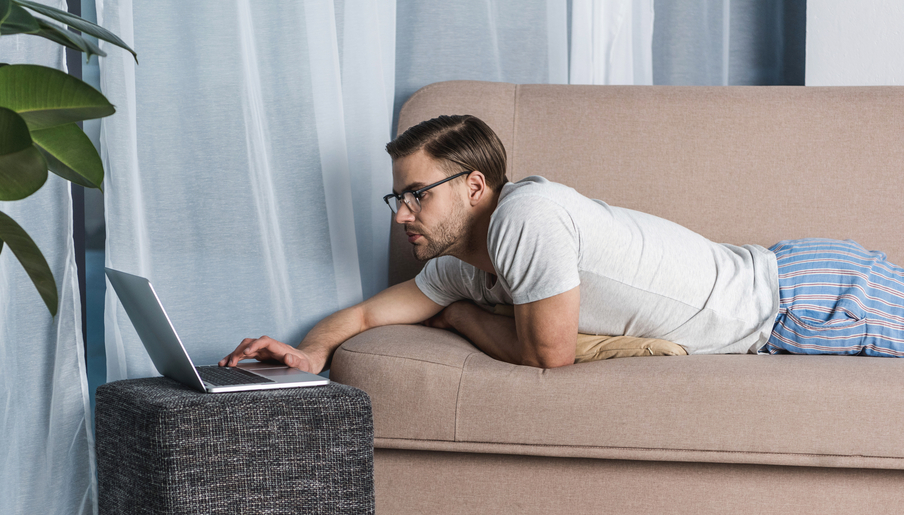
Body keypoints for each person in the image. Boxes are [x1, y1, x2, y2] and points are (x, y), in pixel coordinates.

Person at [221, 115, 904, 372]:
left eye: (417, 193)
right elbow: (369, 314)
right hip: (789, 288)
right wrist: (310, 351)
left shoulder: (528, 215)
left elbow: (547, 354)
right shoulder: (463, 265)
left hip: (804, 298)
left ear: (474, 186)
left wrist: (460, 320)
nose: (401, 214)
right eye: (395, 197)